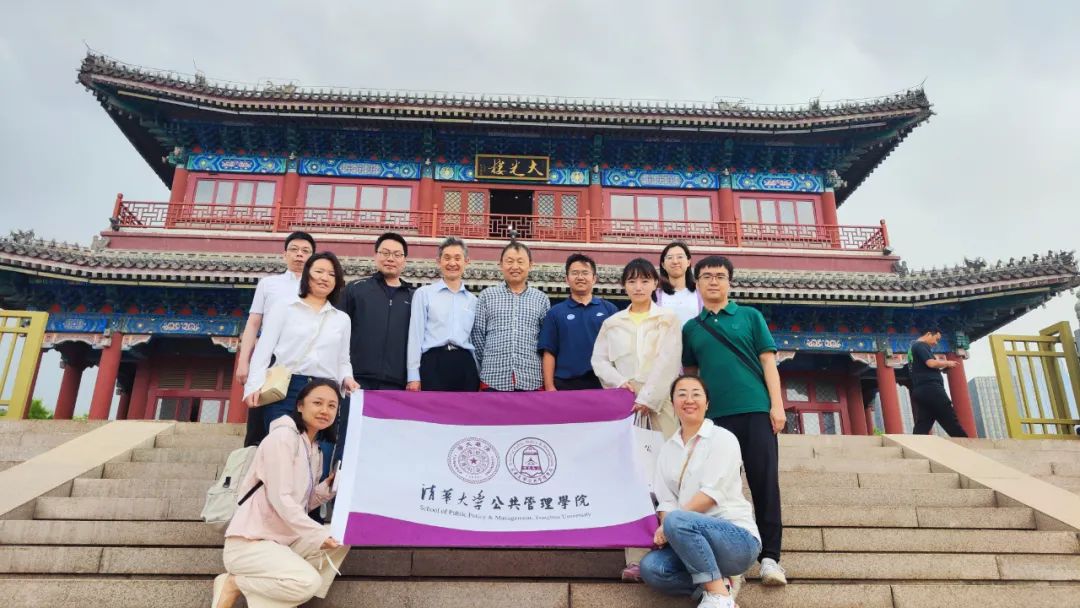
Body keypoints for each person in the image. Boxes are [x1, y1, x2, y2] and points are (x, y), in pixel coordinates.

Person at [682, 255, 787, 586]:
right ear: (697, 284)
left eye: (720, 276)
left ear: (729, 282)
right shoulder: (691, 328)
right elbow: (691, 378)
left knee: (764, 483)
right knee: (720, 489)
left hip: (755, 410)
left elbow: (768, 363)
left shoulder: (750, 316)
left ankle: (770, 558)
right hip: (715, 420)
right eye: (706, 276)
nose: (713, 281)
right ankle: (729, 560)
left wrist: (777, 405)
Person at [212, 379, 348, 608]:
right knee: (307, 582)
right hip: (251, 543)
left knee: (342, 536)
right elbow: (281, 499)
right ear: (300, 406)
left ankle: (282, 589)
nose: (325, 410)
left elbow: (302, 503)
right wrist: (317, 534)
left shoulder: (314, 449)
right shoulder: (283, 438)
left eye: (332, 405)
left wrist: (328, 487)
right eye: (317, 403)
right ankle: (236, 583)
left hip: (282, 542)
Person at [591, 257, 682, 582]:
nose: (638, 286)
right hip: (626, 405)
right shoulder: (612, 323)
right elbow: (599, 361)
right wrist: (620, 383)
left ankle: (674, 551)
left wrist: (648, 398)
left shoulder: (667, 319)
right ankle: (636, 556)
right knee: (634, 479)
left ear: (655, 283)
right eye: (632, 281)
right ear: (624, 286)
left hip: (662, 405)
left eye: (644, 280)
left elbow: (669, 361)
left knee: (668, 476)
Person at [640, 375, 761, 608]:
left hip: (736, 541)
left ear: (707, 403)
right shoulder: (667, 449)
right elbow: (666, 501)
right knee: (652, 568)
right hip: (688, 542)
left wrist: (672, 523)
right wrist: (668, 525)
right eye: (681, 394)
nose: (689, 400)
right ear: (673, 403)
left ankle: (718, 597)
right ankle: (721, 586)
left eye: (696, 394)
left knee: (676, 519)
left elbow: (711, 495)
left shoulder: (723, 439)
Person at [242, 252, 359, 442]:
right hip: (286, 386)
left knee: (314, 449)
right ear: (306, 275)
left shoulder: (342, 319)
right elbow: (264, 350)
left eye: (331, 274)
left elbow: (343, 360)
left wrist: (347, 377)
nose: (325, 278)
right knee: (283, 440)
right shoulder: (284, 307)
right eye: (319, 271)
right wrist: (253, 386)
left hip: (324, 390)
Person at [237, 232, 316, 448]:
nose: (299, 255)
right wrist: (244, 361)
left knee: (299, 421)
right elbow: (254, 323)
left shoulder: (319, 287)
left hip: (304, 361)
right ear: (284, 254)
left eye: (305, 251)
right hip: (271, 358)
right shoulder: (268, 284)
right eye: (294, 250)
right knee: (259, 418)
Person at [339, 232, 414, 390]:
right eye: (385, 253)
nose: (390, 259)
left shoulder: (414, 296)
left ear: (404, 260)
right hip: (356, 380)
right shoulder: (355, 290)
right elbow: (338, 332)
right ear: (375, 255)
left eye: (397, 254)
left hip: (398, 383)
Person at [472, 241, 550, 391]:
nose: (515, 266)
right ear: (501, 264)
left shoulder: (541, 299)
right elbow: (478, 338)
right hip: (493, 378)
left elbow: (545, 340)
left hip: (532, 379)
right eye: (509, 261)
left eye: (520, 261)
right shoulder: (486, 296)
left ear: (530, 265)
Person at [406, 237, 480, 392]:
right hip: (433, 363)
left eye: (457, 258)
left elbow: (475, 339)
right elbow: (415, 336)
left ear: (466, 261)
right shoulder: (424, 294)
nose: (452, 263)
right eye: (447, 258)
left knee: (465, 408)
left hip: (465, 364)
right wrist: (413, 376)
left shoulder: (473, 300)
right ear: (438, 261)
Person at [539, 253, 618, 391]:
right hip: (565, 384)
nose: (580, 277)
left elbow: (618, 349)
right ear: (566, 279)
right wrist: (549, 386)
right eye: (575, 273)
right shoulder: (555, 313)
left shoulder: (609, 310)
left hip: (602, 383)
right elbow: (549, 352)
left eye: (585, 273)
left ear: (594, 278)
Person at [908, 328, 968, 437]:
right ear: (928, 334)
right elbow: (931, 363)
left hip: (920, 390)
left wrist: (942, 367)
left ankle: (915, 443)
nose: (936, 343)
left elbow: (925, 368)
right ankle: (964, 441)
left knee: (923, 423)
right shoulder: (921, 345)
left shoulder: (914, 348)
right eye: (936, 339)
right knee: (949, 416)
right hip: (931, 389)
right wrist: (948, 362)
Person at [656, 241, 702, 325]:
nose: (675, 261)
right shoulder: (655, 295)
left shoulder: (700, 293)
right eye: (670, 257)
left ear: (688, 262)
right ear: (663, 265)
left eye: (680, 257)